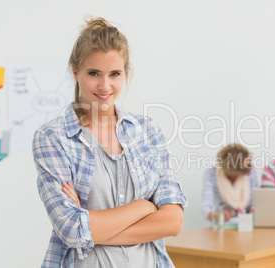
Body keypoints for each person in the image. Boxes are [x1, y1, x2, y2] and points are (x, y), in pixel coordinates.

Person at [33, 17, 187, 268]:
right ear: (75, 72)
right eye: (94, 73)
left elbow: (173, 222)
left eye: (114, 74)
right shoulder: (53, 138)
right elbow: (71, 230)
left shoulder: (148, 132)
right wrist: (144, 206)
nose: (105, 85)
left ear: (125, 73)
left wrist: (92, 227)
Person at [202, 143, 258, 226]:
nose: (250, 168)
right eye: (246, 167)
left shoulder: (251, 173)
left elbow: (255, 201)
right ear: (231, 171)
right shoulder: (212, 174)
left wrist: (256, 209)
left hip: (246, 225)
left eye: (250, 162)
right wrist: (216, 216)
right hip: (221, 226)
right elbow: (206, 207)